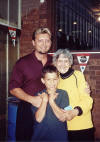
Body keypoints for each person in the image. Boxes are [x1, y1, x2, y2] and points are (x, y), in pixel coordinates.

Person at [9, 27, 52, 141]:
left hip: (50, 109)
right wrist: (32, 100)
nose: (44, 44)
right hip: (27, 110)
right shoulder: (22, 62)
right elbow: (13, 88)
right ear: (33, 43)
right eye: (40, 40)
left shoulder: (54, 62)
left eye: (47, 40)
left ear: (50, 42)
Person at [53, 49, 94, 142]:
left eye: (66, 61)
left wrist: (74, 112)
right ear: (55, 63)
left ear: (70, 63)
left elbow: (88, 100)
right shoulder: (55, 78)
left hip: (81, 126)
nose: (63, 64)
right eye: (60, 61)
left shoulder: (78, 75)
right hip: (62, 127)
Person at [31, 65, 72, 142]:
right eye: (48, 79)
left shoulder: (63, 94)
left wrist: (51, 101)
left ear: (58, 79)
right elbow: (38, 119)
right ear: (43, 80)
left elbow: (62, 117)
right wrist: (44, 101)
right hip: (40, 137)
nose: (52, 83)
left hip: (59, 137)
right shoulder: (38, 95)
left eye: (55, 79)